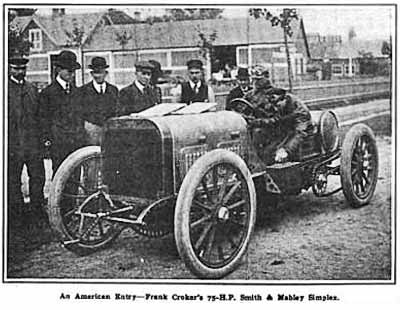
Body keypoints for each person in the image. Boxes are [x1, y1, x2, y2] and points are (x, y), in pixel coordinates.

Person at [244, 67, 313, 164]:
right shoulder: (250, 96)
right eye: (254, 79)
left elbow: (301, 130)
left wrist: (286, 150)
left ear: (267, 78)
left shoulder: (289, 101)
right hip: (261, 139)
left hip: (284, 140)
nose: (255, 83)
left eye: (258, 80)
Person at [8, 55, 46, 228]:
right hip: (13, 145)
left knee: (38, 178)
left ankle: (37, 213)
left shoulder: (32, 89)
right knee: (13, 181)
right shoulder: (4, 89)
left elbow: (38, 116)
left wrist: (41, 139)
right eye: (16, 68)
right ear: (10, 69)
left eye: (22, 68)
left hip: (32, 144)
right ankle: (17, 216)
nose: (20, 72)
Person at [38, 50, 86, 173]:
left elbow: (80, 117)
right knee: (60, 176)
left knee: (75, 175)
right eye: (69, 71)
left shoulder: (77, 92)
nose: (73, 75)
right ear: (59, 70)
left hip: (76, 142)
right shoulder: (48, 93)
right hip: (59, 144)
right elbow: (43, 119)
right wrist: (48, 140)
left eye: (74, 71)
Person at [78, 56, 119, 145]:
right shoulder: (83, 91)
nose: (98, 76)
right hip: (91, 133)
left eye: (100, 72)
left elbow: (116, 111)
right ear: (91, 74)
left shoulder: (113, 90)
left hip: (109, 131)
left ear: (106, 73)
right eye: (95, 72)